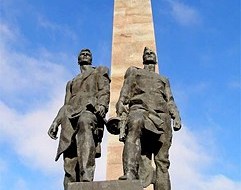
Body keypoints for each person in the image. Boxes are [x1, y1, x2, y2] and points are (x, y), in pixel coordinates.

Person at [116, 47, 181, 190]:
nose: (150, 54)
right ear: (143, 58)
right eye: (147, 53)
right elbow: (124, 94)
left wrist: (176, 115)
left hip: (162, 115)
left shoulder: (164, 80)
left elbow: (169, 100)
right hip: (140, 109)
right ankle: (130, 173)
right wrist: (120, 105)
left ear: (156, 59)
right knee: (134, 123)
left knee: (162, 161)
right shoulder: (135, 72)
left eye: (152, 53)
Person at [48, 49, 110, 189]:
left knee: (85, 122)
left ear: (91, 59)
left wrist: (102, 106)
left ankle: (86, 178)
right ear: (78, 59)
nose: (85, 55)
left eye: (88, 54)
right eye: (82, 54)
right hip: (70, 116)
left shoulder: (99, 71)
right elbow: (66, 105)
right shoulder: (71, 83)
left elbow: (104, 91)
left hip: (89, 111)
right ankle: (70, 184)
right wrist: (56, 122)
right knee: (69, 157)